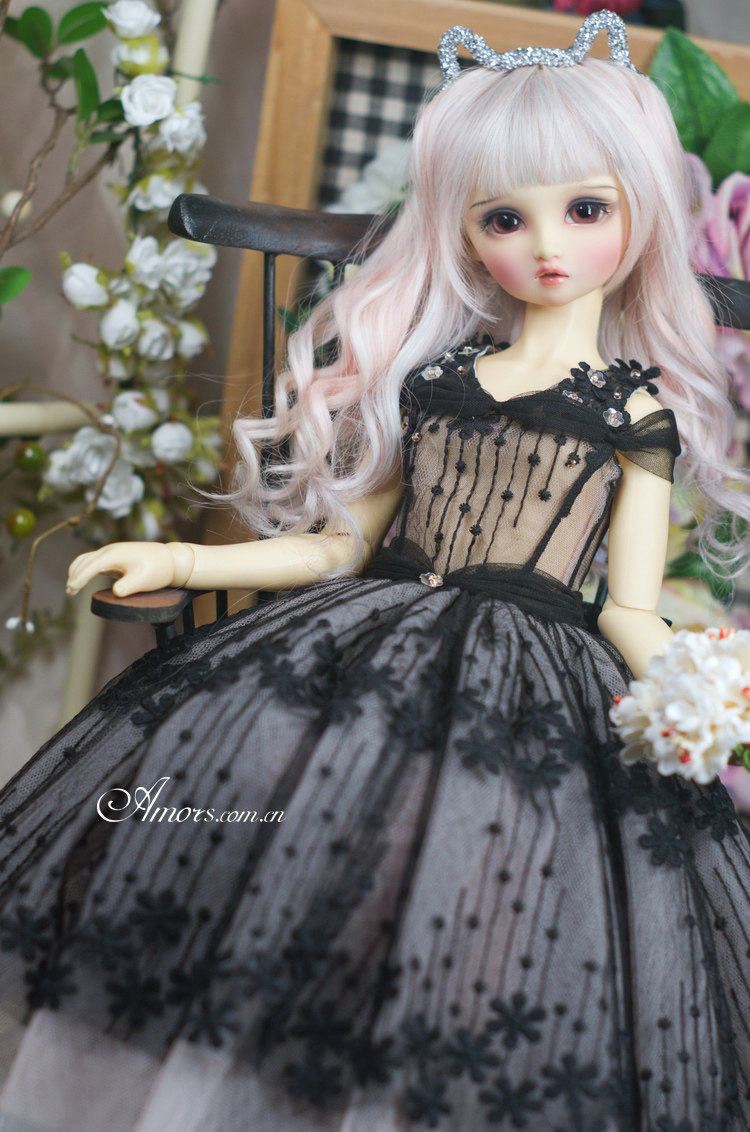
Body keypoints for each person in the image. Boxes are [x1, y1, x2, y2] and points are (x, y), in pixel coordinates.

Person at [0, 12, 749, 1131]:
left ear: (638, 211)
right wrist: (184, 554)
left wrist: (703, 688)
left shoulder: (631, 413)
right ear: (469, 232)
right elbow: (342, 545)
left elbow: (630, 608)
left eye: (586, 209)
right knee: (277, 844)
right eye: (506, 217)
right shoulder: (437, 375)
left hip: (540, 685)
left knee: (483, 890)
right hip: (365, 636)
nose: (546, 245)